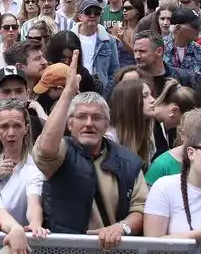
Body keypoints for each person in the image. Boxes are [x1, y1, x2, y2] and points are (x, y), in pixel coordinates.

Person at [31, 52, 146, 243]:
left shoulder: (128, 161)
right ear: (69, 124)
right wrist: (68, 93)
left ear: (106, 125)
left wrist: (121, 227)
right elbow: (45, 150)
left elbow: (140, 209)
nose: (89, 123)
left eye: (97, 118)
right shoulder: (61, 152)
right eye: (82, 117)